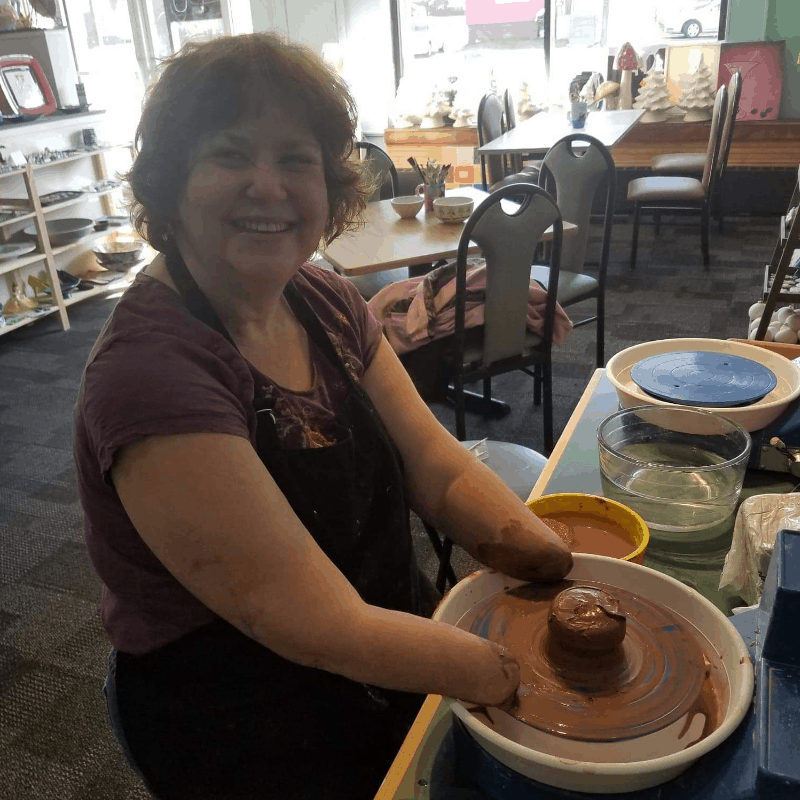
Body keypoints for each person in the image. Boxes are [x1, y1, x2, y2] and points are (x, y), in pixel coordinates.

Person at [73, 32, 572, 800]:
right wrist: (521, 675)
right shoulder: (152, 376)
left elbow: (435, 466)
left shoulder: (325, 299)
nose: (267, 187)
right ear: (171, 183)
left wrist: (553, 568)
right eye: (230, 155)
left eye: (295, 159)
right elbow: (319, 624)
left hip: (380, 650)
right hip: (239, 715)